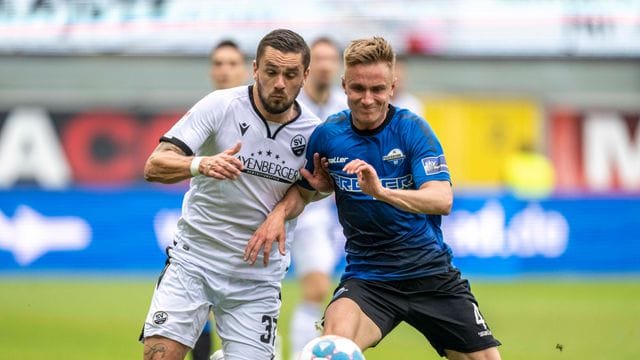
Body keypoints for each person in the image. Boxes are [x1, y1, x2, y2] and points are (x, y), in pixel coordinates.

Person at [245, 37, 502, 360]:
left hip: (431, 275)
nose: (367, 99)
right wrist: (279, 214)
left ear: (392, 87)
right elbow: (308, 188)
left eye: (377, 90)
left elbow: (441, 199)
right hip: (369, 279)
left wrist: (381, 192)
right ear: (344, 86)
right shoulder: (328, 135)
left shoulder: (413, 130)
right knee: (330, 350)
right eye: (358, 89)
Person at [139, 29, 318, 360]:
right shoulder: (220, 105)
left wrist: (279, 213)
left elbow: (312, 189)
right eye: (271, 71)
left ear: (305, 75)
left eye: (291, 74)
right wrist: (201, 163)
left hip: (257, 277)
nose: (280, 82)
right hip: (194, 261)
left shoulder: (314, 132)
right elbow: (155, 164)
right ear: (255, 69)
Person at [187, 39, 250, 360]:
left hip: (254, 231)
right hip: (210, 226)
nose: (224, 70)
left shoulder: (267, 114)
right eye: (218, 63)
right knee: (197, 308)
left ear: (246, 69)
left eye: (231, 63)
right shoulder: (206, 110)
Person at [290, 36, 347, 359]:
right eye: (319, 59)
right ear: (309, 68)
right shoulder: (292, 105)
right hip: (285, 207)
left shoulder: (344, 106)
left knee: (319, 290)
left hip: (323, 213)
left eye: (331, 58)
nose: (325, 65)